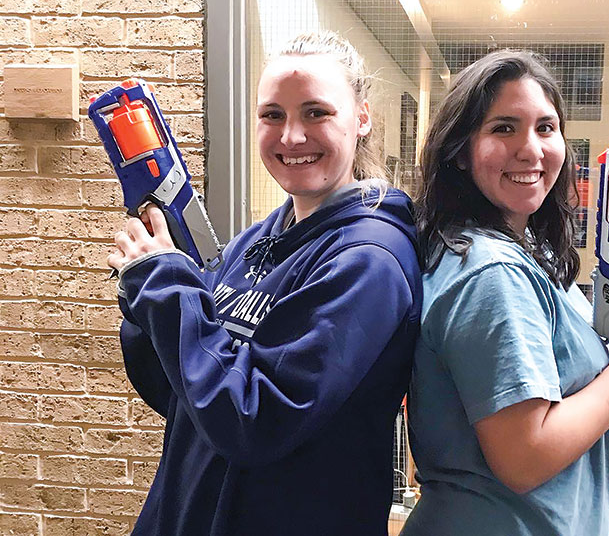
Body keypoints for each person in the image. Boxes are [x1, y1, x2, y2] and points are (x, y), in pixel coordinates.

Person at [107, 31, 422, 536]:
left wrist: (166, 287)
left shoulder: (369, 261)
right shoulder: (255, 241)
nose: (291, 136)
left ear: (361, 118)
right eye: (272, 115)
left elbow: (252, 420)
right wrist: (145, 285)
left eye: (316, 112)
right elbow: (182, 395)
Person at [400, 50, 609, 536]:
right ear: (460, 151)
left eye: (545, 127)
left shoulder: (520, 248)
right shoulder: (491, 272)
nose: (531, 149)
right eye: (503, 128)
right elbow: (525, 457)